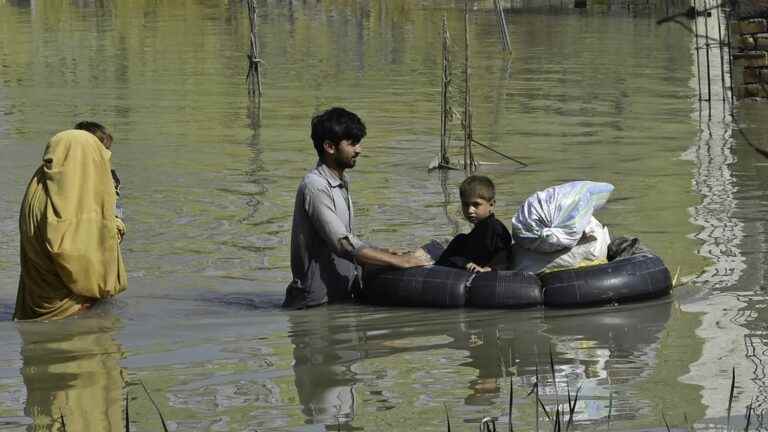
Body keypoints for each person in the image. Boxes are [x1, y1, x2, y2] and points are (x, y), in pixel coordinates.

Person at [283, 107, 429, 309]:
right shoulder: (315, 187)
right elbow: (343, 244)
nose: (359, 150)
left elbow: (347, 239)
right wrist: (402, 261)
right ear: (329, 147)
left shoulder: (341, 180)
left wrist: (383, 252)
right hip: (313, 306)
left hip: (339, 299)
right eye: (352, 143)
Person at [13, 129, 127, 320]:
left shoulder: (39, 187)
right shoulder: (70, 201)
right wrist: (116, 222)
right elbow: (78, 258)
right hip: (69, 310)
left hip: (35, 303)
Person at [435, 175, 513, 272]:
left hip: (485, 274)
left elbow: (504, 255)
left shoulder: (495, 229)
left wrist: (487, 269)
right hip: (461, 267)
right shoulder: (473, 233)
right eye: (465, 204)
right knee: (460, 239)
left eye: (476, 205)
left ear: (491, 205)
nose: (470, 210)